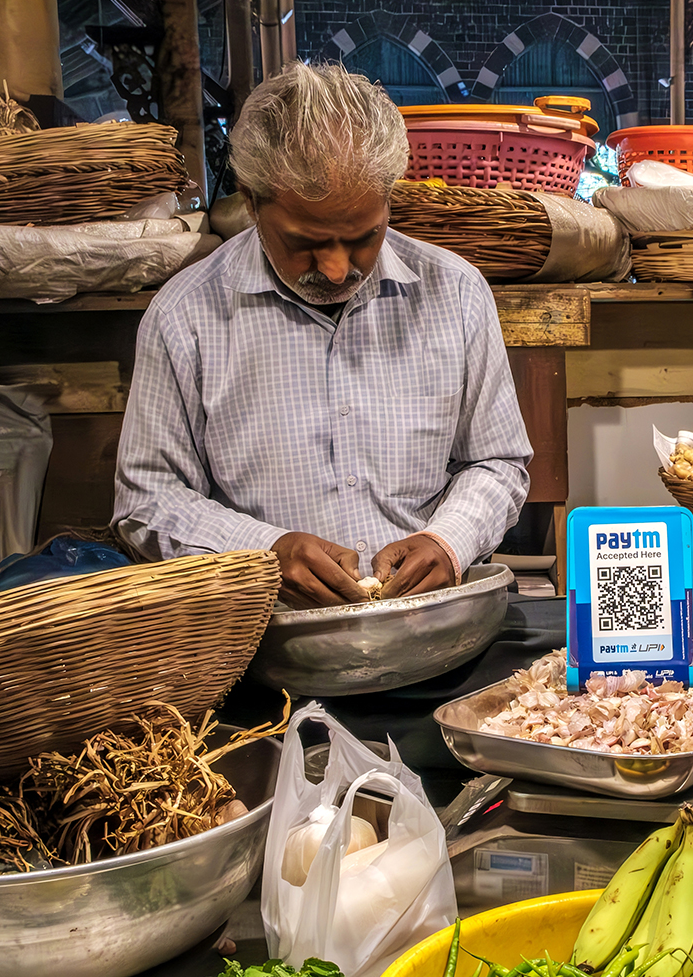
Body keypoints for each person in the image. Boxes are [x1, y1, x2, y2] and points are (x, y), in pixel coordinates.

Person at [113, 64, 533, 607]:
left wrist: (447, 541)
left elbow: (498, 463)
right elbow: (146, 498)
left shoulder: (454, 292)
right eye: (305, 241)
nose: (336, 269)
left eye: (362, 237)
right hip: (269, 638)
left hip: (429, 625)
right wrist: (264, 552)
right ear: (251, 200)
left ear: (389, 198)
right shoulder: (186, 315)